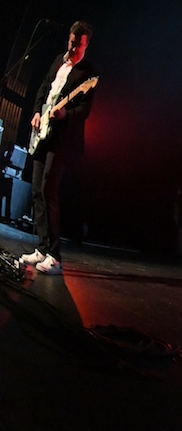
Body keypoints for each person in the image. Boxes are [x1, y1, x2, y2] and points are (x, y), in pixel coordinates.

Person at [19, 21, 98, 275]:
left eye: (79, 45)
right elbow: (44, 89)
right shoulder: (58, 61)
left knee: (49, 190)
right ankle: (42, 248)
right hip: (42, 133)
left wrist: (66, 114)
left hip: (62, 139)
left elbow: (84, 110)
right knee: (36, 191)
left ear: (86, 45)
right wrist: (36, 112)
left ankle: (55, 256)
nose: (73, 48)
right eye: (72, 42)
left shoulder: (88, 74)